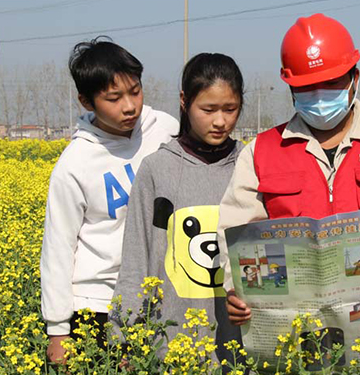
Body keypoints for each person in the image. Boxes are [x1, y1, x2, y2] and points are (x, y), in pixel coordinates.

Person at [218, 13, 360, 326]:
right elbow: (235, 233)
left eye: (332, 83)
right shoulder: (260, 152)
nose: (320, 96)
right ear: (291, 87)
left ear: (355, 78)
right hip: (292, 331)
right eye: (308, 87)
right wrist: (237, 288)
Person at [40, 37, 179, 363]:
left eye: (135, 91)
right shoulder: (75, 164)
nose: (130, 106)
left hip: (161, 295)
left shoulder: (165, 129)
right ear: (87, 102)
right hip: (98, 304)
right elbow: (58, 249)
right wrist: (58, 330)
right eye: (113, 98)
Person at [111, 53, 244, 363]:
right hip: (171, 342)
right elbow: (137, 256)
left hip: (238, 346)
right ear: (184, 101)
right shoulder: (157, 169)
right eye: (208, 109)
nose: (220, 121)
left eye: (230, 109)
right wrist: (125, 335)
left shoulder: (250, 165)